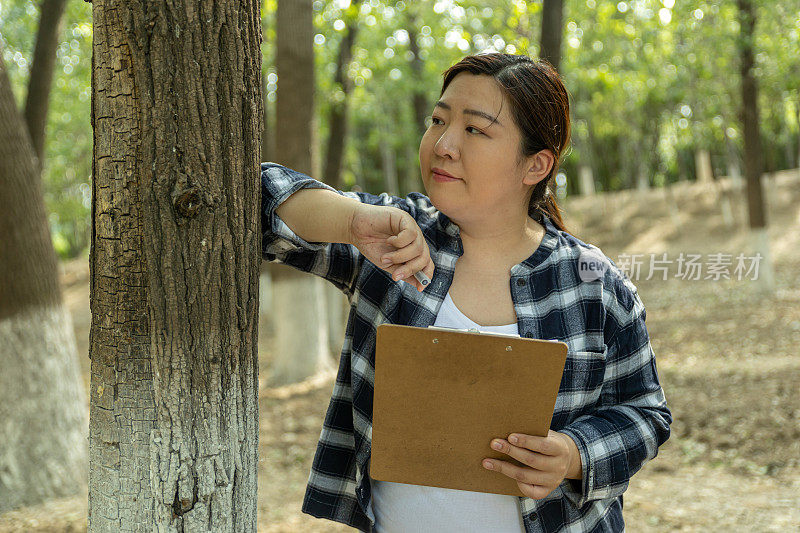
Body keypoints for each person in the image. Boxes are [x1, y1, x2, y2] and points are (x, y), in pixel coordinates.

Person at [261, 52, 672, 532]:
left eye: (476, 130)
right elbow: (256, 198)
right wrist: (351, 222)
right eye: (438, 120)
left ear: (536, 165)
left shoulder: (593, 283)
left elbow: (644, 412)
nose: (444, 144)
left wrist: (573, 455)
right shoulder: (391, 242)